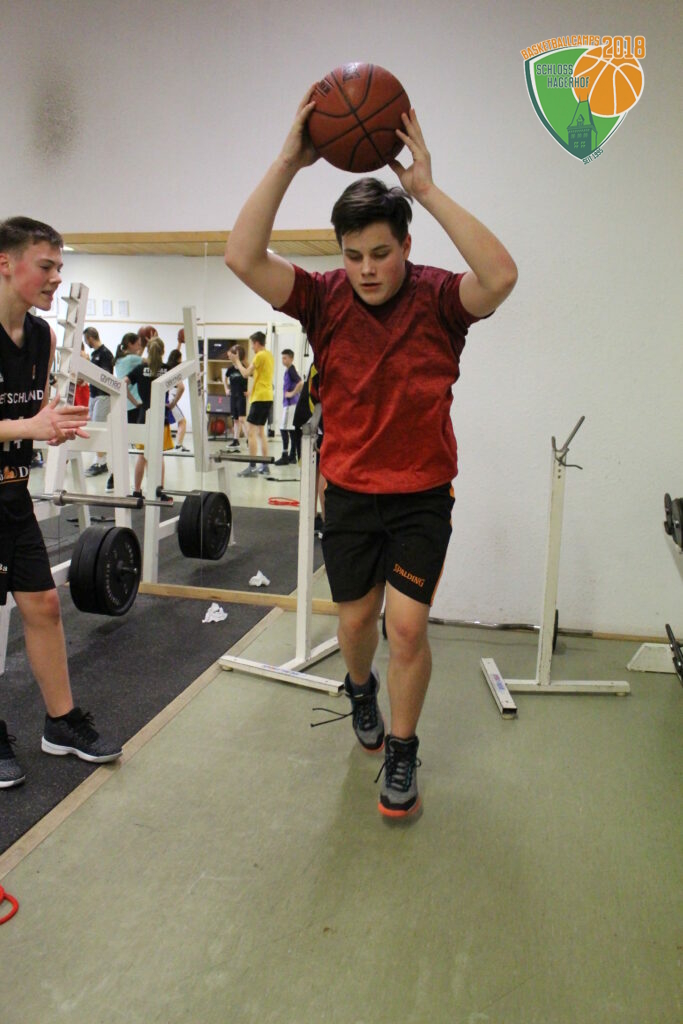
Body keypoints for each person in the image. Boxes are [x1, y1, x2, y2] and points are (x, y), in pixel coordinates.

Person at [224, 94, 517, 818]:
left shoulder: (440, 299)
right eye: (353, 255)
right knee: (354, 624)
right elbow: (242, 256)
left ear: (406, 246)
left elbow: (501, 276)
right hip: (350, 494)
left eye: (381, 253)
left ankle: (403, 750)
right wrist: (289, 161)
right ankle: (360, 689)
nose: (366, 269)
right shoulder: (322, 299)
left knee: (406, 627)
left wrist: (425, 189)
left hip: (422, 496)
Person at [0, 216, 122, 787]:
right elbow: (22, 422)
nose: (55, 278)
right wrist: (30, 425)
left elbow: (28, 418)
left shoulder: (43, 337)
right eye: (45, 266)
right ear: (6, 264)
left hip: (11, 494)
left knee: (45, 605)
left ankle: (61, 722)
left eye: (59, 267)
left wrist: (49, 425)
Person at [124, 335, 172, 498]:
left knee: (142, 456)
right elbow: (181, 387)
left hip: (144, 415)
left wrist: (135, 402)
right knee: (159, 456)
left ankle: (137, 491)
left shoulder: (140, 368)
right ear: (163, 351)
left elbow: (123, 383)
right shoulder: (167, 369)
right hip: (160, 416)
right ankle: (160, 492)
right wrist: (172, 404)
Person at [229, 331, 274, 477]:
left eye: (252, 345)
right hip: (267, 397)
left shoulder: (259, 355)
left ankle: (252, 466)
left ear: (256, 343)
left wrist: (237, 361)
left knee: (251, 433)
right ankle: (265, 466)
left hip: (260, 398)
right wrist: (243, 362)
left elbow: (245, 374)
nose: (252, 348)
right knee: (260, 432)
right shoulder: (269, 355)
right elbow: (255, 374)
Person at [82, 326, 114, 478]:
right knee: (93, 428)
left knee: (98, 428)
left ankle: (101, 463)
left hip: (103, 396)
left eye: (85, 340)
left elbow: (105, 376)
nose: (85, 343)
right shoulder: (94, 354)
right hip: (93, 394)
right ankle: (99, 461)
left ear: (89, 338)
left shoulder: (105, 353)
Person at [273, 348, 302, 465]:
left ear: (291, 358)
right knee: (292, 431)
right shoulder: (289, 370)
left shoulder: (291, 370)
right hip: (291, 404)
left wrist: (292, 393)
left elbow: (300, 382)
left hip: (291, 404)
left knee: (283, 428)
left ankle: (285, 456)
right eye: (282, 358)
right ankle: (293, 456)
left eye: (285, 358)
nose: (283, 360)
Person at [223, 344, 248, 448]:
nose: (230, 356)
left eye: (232, 354)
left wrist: (249, 391)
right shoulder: (230, 369)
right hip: (233, 396)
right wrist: (226, 388)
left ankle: (249, 440)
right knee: (235, 420)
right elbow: (225, 378)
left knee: (242, 419)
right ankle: (235, 440)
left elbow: (252, 378)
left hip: (241, 396)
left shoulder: (244, 368)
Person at [165, 348, 189, 450]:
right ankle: (178, 445)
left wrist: (179, 344)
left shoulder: (167, 367)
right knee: (182, 421)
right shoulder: (176, 370)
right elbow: (181, 387)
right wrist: (174, 403)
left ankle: (178, 444)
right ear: (178, 358)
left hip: (166, 397)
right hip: (171, 399)